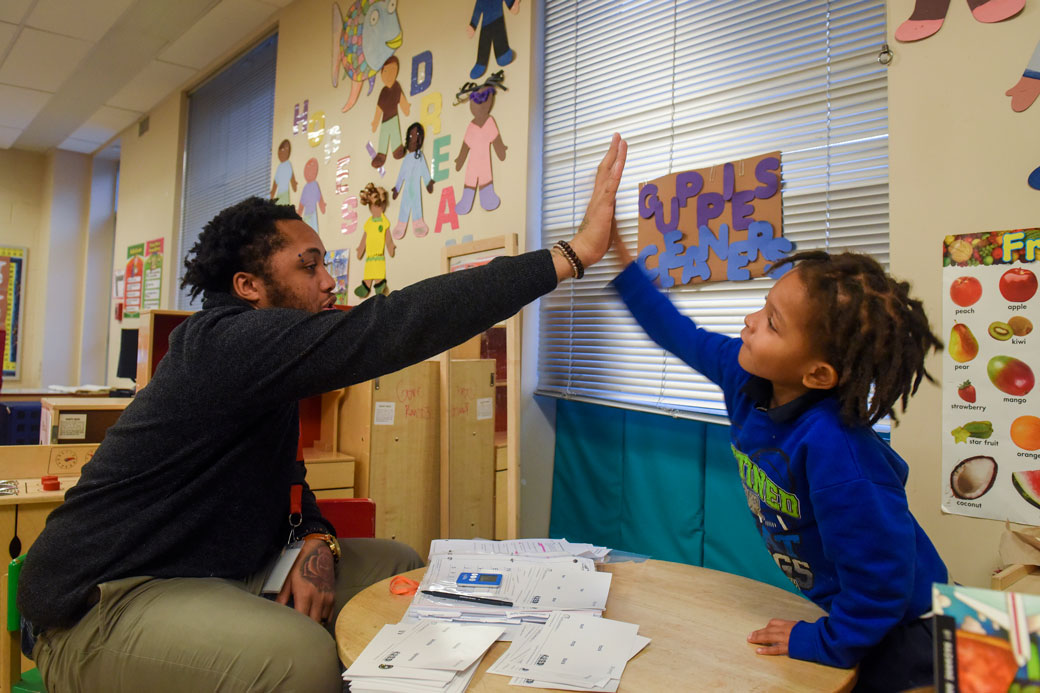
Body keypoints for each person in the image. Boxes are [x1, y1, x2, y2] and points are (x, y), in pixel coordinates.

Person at [18, 134, 628, 692]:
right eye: (308, 266)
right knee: (303, 658)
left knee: (400, 567)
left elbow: (289, 489)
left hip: (221, 574)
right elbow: (387, 327)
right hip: (102, 605)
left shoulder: (270, 374)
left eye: (325, 264)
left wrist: (318, 545)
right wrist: (570, 256)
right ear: (249, 286)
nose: (328, 282)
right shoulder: (222, 345)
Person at [611, 242, 948, 691]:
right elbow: (681, 334)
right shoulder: (749, 381)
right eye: (763, 308)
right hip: (862, 618)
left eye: (772, 322)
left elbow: (882, 585)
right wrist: (621, 263)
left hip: (910, 632)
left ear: (817, 375)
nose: (749, 322)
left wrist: (823, 641)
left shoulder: (839, 453)